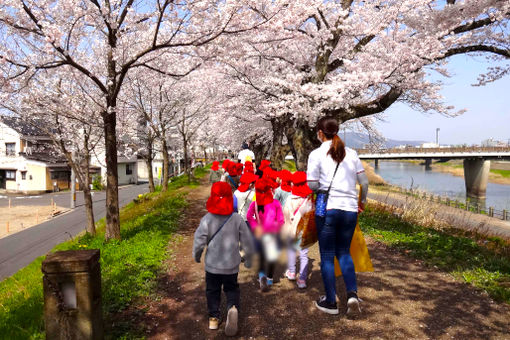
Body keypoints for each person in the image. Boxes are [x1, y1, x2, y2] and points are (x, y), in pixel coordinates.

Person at [306, 116, 369, 316]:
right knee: (344, 252)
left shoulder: (316, 154)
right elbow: (364, 183)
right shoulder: (351, 153)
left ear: (320, 133)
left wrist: (321, 188)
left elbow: (312, 184)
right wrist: (362, 202)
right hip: (350, 209)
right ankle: (352, 295)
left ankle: (331, 302)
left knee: (326, 256)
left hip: (329, 209)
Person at [192, 182, 255, 335]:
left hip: (212, 265)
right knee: (231, 288)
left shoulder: (207, 219)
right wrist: (248, 258)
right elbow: (247, 240)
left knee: (212, 290)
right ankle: (232, 308)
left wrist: (197, 254)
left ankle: (213, 318)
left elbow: (199, 239)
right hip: (231, 265)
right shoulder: (236, 219)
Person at [246, 178, 284, 292]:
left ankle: (261, 275)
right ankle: (270, 278)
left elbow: (249, 216)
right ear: (269, 190)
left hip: (260, 234)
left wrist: (255, 227)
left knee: (262, 256)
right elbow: (281, 220)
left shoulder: (255, 204)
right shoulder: (276, 203)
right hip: (272, 234)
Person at [281, 171, 313, 289]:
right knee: (304, 254)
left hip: (291, 230)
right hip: (303, 230)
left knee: (291, 251)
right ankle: (303, 279)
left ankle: (292, 272)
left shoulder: (290, 198)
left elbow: (286, 214)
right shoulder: (308, 199)